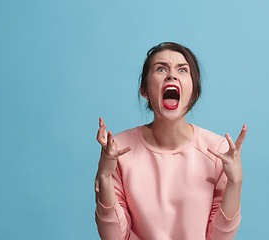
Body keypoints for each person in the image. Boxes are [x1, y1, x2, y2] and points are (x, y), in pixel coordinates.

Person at [94, 42, 247, 240]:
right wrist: (104, 178)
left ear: (195, 93)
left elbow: (219, 238)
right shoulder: (117, 149)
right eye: (161, 69)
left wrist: (235, 182)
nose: (171, 75)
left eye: (182, 70)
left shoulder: (218, 151)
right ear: (145, 91)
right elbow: (114, 237)